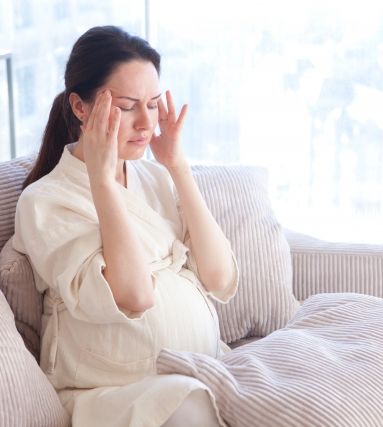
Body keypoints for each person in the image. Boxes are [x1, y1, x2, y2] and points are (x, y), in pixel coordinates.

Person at [12, 26, 239, 427]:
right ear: (80, 108)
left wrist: (177, 166)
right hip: (114, 392)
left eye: (153, 105)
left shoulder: (155, 177)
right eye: (129, 105)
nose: (147, 124)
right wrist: (101, 181)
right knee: (187, 406)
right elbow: (134, 295)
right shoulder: (45, 202)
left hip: (203, 368)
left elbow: (219, 276)